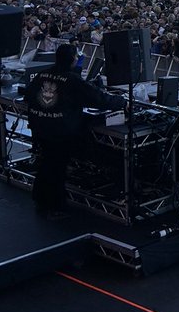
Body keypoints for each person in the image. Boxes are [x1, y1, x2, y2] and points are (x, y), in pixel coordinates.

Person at [24, 42, 125, 220]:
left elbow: (28, 96)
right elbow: (99, 99)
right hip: (60, 130)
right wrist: (122, 102)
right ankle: (54, 206)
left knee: (47, 163)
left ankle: (40, 199)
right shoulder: (72, 80)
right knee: (57, 168)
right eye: (77, 57)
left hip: (41, 126)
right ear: (72, 60)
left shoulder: (42, 74)